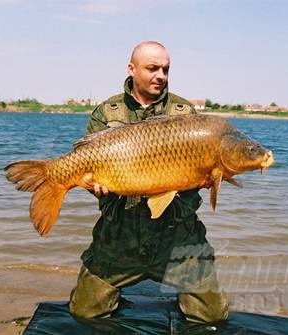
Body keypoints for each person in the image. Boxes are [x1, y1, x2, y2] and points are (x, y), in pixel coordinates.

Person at [69, 41, 228, 323]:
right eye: (153, 68)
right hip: (119, 236)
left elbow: (202, 169)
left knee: (212, 315)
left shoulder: (185, 113)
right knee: (85, 312)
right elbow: (91, 173)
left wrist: (206, 176)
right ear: (132, 69)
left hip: (177, 236)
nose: (161, 76)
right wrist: (92, 185)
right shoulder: (107, 113)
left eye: (166, 69)